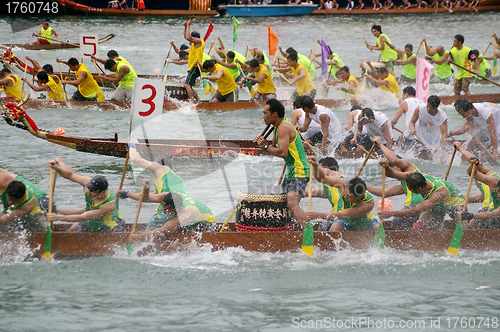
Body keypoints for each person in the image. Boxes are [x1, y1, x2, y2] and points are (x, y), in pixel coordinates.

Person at [253, 99, 310, 229]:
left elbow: (282, 153)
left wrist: (265, 146)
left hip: (299, 170)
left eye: (265, 113)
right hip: (291, 170)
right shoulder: (277, 128)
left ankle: (308, 231)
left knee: (291, 202)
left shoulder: (284, 128)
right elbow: (272, 147)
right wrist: (263, 145)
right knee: (283, 202)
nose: (263, 116)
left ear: (274, 114)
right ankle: (289, 229)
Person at [46, 158, 123, 232]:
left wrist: (57, 217)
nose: (88, 192)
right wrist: (58, 167)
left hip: (108, 228)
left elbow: (82, 217)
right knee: (72, 231)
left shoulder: (108, 206)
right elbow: (70, 174)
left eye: (92, 191)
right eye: (89, 188)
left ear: (102, 193)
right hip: (90, 221)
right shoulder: (88, 182)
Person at [365, 136, 424, 230]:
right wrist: (365, 186)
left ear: (396, 167)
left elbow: (394, 160)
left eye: (391, 169)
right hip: (423, 207)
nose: (394, 176)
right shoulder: (407, 184)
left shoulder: (409, 167)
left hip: (415, 206)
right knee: (395, 226)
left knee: (394, 226)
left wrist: (380, 144)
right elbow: (383, 193)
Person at [306, 156, 378, 232]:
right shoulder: (343, 184)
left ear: (359, 197)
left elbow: (341, 215)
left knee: (377, 228)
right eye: (345, 194)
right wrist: (315, 166)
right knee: (335, 226)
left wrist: (318, 215)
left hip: (366, 224)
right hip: (348, 222)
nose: (345, 198)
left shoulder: (368, 204)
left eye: (349, 196)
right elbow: (322, 178)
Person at [123, 184, 214, 242]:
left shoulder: (188, 213)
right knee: (160, 219)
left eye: (166, 210)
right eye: (163, 207)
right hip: (183, 215)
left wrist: (139, 237)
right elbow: (146, 198)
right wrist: (127, 194)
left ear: (176, 209)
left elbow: (164, 229)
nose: (163, 211)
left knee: (170, 231)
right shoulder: (167, 196)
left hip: (203, 223)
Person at [378, 169, 464, 230]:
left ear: (418, 189)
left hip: (457, 205)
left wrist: (392, 213)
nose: (410, 191)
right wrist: (386, 166)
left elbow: (416, 211)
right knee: (419, 226)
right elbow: (392, 173)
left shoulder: (438, 194)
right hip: (438, 206)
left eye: (411, 190)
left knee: (463, 229)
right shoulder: (418, 176)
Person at [454, 142, 500, 229]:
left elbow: (493, 214)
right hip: (491, 211)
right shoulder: (494, 181)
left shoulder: (492, 181)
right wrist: (461, 149)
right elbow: (475, 164)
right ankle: (467, 235)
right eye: (498, 191)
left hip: (493, 214)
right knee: (466, 215)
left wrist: (472, 215)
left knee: (478, 216)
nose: (499, 195)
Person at [391, 86, 425, 151]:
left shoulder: (405, 102)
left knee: (396, 150)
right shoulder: (422, 102)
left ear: (406, 95)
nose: (402, 98)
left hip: (412, 133)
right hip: (424, 134)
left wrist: (391, 125)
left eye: (402, 95)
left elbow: (394, 120)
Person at [183, 18, 205, 102]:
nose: (191, 38)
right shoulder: (194, 42)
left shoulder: (199, 41)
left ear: (195, 37)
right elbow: (186, 37)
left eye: (193, 37)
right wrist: (185, 27)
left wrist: (188, 25)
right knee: (189, 86)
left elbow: (188, 37)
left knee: (187, 85)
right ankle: (198, 101)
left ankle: (192, 102)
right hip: (192, 67)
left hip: (196, 67)